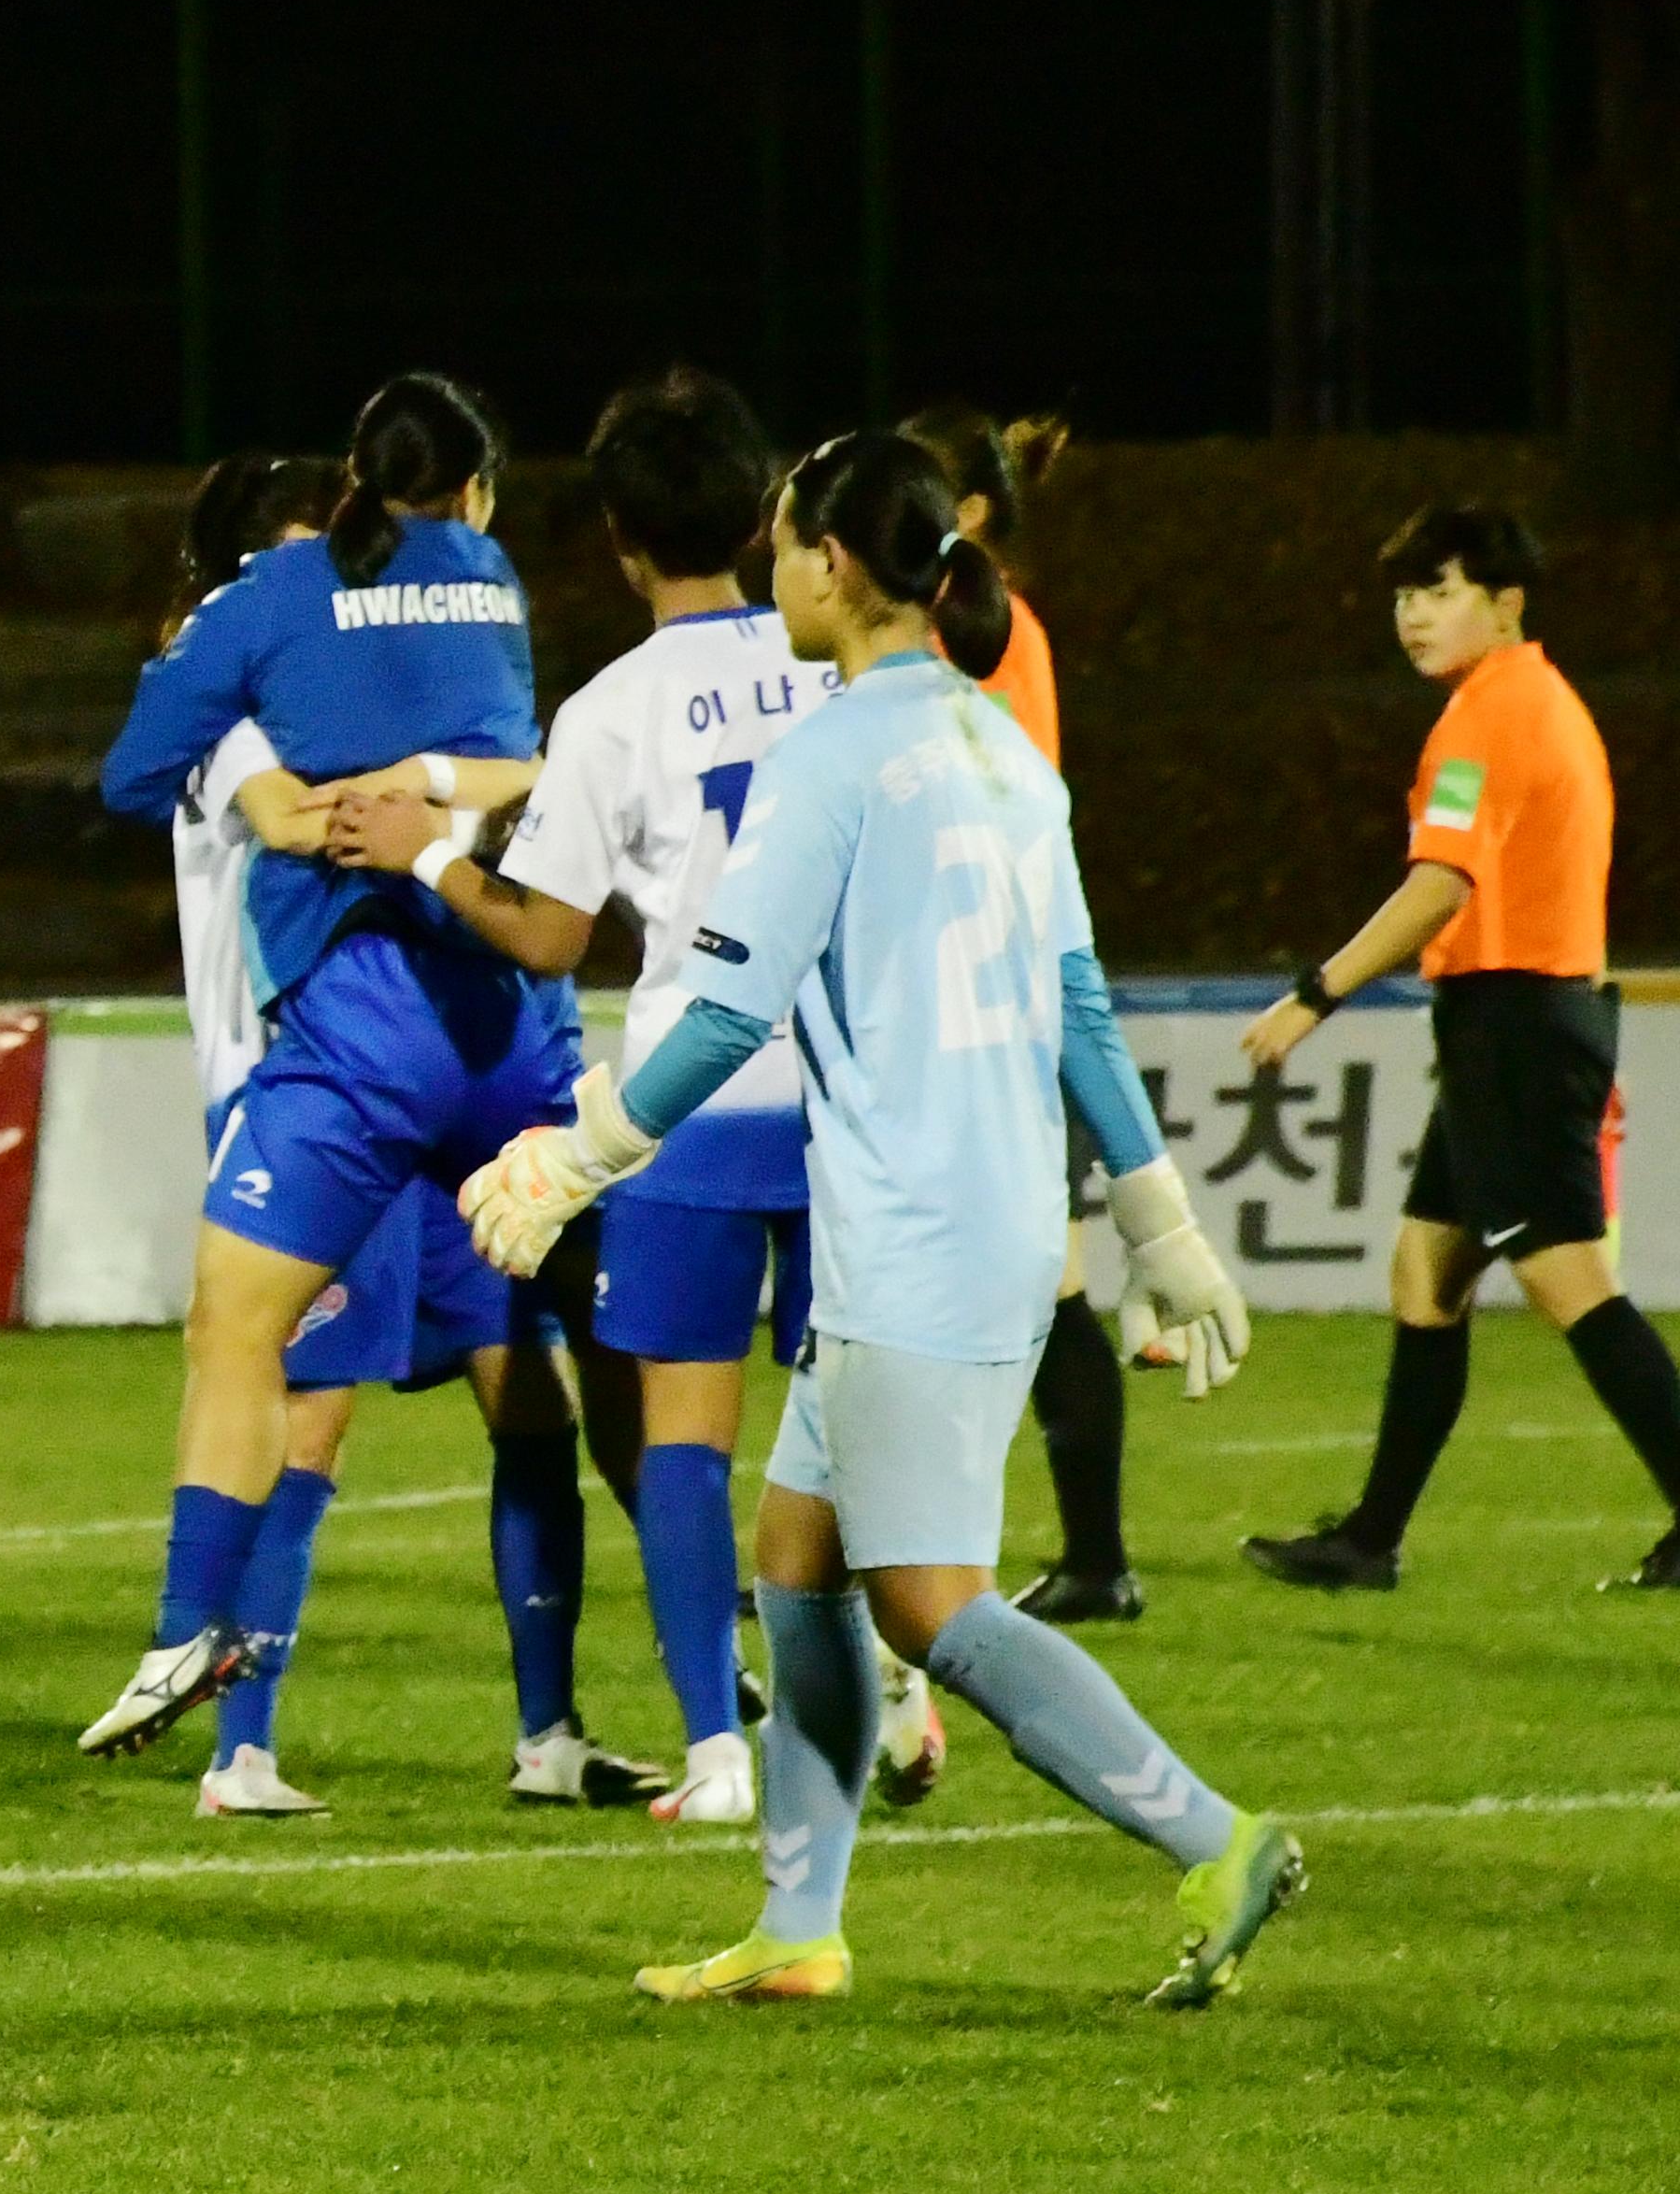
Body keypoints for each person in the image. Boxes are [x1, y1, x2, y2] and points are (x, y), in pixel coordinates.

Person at [458, 430, 1292, 2011]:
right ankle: (798, 1925)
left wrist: (585, 1152)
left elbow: (721, 1008)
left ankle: (1214, 1834)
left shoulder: (831, 761)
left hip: (910, 1224)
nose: (773, 569)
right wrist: (1154, 1217)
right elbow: (1078, 1008)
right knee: (798, 1553)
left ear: (831, 565)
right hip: (973, 1203)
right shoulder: (998, 750)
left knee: (927, 1599)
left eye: (784, 545)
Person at [334, 366, 859, 1827]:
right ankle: (895, 1700)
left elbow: (552, 934)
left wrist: (429, 856)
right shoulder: (846, 670)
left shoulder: (614, 709)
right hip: (846, 1095)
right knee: (850, 1425)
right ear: (768, 520)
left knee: (682, 1438)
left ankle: (714, 1755)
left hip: (689, 1102)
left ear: (619, 543)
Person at [78, 375, 567, 1758]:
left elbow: (132, 769)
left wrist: (295, 776)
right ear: (473, 487)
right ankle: (680, 1703)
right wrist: (409, 780)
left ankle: (216, 1695)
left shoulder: (265, 622)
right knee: (547, 1358)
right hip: (504, 1008)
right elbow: (519, 765)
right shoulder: (492, 579)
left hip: (340, 1036)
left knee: (264, 1358)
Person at [1240, 501, 1680, 1594]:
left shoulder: (1492, 714)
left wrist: (1315, 993)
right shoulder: (1529, 701)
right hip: (1513, 1020)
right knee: (1425, 1273)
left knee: (1568, 1277)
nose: (1414, 616)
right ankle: (1369, 1540)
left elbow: (1441, 883)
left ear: (1506, 601)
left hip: (1520, 1025)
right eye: (1404, 595)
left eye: (1439, 592)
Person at [909, 404, 1137, 1622]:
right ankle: (1090, 1560)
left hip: (986, 995)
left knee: (1016, 1289)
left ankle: (1082, 1560)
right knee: (1033, 1288)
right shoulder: (991, 622)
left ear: (974, 513)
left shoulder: (964, 626)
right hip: (1007, 985)